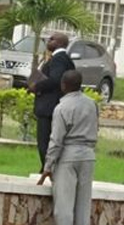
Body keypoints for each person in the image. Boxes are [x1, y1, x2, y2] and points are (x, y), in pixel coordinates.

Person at [38, 70, 99, 225]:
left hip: (68, 157)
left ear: (63, 85)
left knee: (64, 208)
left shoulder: (62, 108)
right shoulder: (92, 104)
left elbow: (56, 140)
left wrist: (48, 166)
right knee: (83, 207)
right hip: (88, 156)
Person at [31, 32, 76, 171]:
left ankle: (47, 169)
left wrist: (36, 86)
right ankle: (47, 167)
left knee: (44, 140)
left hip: (49, 107)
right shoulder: (62, 58)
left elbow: (55, 79)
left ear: (59, 43)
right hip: (53, 105)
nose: (48, 41)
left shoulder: (59, 59)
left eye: (51, 39)